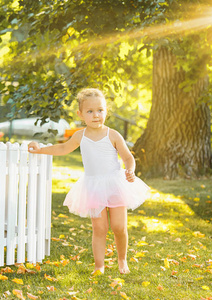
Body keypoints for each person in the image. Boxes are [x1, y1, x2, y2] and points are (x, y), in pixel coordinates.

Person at [28, 88, 149, 275]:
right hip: (93, 186)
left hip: (115, 185)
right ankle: (99, 266)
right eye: (90, 111)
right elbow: (62, 149)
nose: (95, 115)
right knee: (99, 228)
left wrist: (130, 170)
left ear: (106, 111)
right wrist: (40, 149)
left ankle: (122, 259)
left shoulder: (113, 135)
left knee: (118, 227)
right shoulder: (80, 135)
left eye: (100, 110)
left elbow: (128, 157)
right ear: (81, 114)